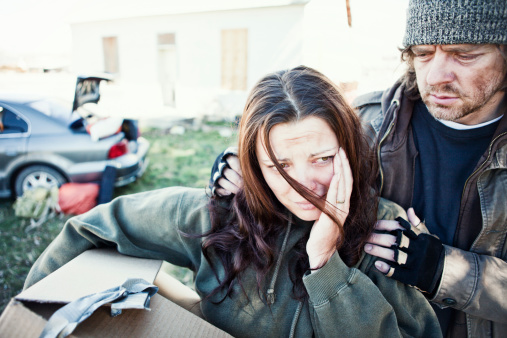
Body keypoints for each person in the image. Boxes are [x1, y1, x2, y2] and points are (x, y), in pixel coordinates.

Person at [24, 66, 441, 337]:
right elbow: (93, 227)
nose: (304, 184)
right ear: (254, 165)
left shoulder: (385, 232)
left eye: (323, 158)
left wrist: (325, 264)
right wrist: (28, 319)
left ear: (348, 148)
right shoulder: (222, 213)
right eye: (280, 165)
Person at [209, 1, 507, 337]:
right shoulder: (371, 120)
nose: (436, 75)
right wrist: (240, 166)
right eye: (423, 52)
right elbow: (294, 152)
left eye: (464, 53)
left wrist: (441, 270)